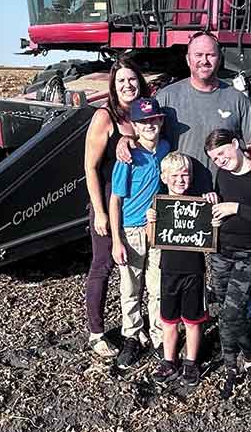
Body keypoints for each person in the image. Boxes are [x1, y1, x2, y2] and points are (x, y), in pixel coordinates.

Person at [118, 31, 251, 193]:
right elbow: (146, 134)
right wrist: (126, 140)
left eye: (210, 55)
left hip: (226, 195)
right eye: (198, 55)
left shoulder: (237, 99)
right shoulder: (166, 98)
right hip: (181, 198)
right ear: (188, 60)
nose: (204, 61)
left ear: (219, 59)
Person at [204, 128, 251, 400]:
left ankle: (248, 362)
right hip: (221, 252)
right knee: (226, 312)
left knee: (232, 315)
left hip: (249, 254)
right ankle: (233, 366)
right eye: (214, 158)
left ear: (236, 144)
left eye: (222, 153)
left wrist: (235, 208)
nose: (220, 160)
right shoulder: (222, 175)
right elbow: (217, 203)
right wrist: (212, 202)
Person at [83, 58, 150, 359]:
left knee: (141, 265)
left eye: (132, 79)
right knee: (103, 265)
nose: (127, 85)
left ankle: (137, 325)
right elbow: (91, 166)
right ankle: (96, 332)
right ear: (113, 85)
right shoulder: (105, 116)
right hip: (111, 200)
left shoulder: (146, 112)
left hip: (141, 203)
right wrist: (98, 211)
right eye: (121, 80)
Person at [109, 97, 170, 369]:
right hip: (131, 230)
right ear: (133, 125)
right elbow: (116, 200)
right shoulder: (128, 156)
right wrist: (116, 239)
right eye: (143, 121)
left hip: (156, 227)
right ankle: (132, 335)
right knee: (131, 287)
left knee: (157, 286)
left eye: (153, 120)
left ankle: (158, 336)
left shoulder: (166, 149)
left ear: (161, 121)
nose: (149, 125)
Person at [146, 152, 213, 387]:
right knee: (169, 320)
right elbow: (152, 239)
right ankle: (168, 361)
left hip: (194, 271)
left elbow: (211, 235)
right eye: (174, 175)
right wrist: (150, 221)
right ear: (164, 177)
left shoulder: (200, 204)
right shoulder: (160, 205)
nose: (180, 180)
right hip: (168, 271)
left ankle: (191, 362)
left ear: (191, 177)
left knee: (193, 321)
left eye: (185, 175)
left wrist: (213, 217)